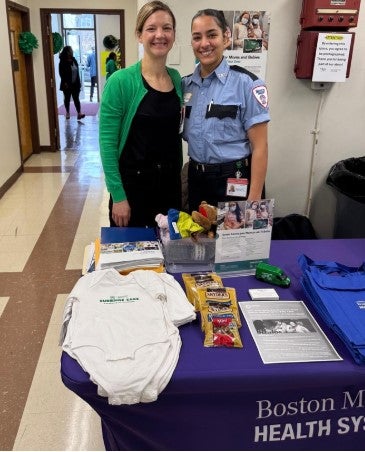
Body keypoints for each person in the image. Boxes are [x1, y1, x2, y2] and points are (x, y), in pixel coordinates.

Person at [99, 1, 183, 228]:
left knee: (171, 259)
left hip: (169, 191)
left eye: (167, 28)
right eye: (151, 28)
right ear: (139, 35)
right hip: (132, 192)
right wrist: (118, 196)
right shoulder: (121, 82)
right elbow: (107, 145)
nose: (160, 35)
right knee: (133, 260)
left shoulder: (177, 80)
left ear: (174, 34)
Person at [182, 9, 270, 212]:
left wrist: (254, 201)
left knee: (234, 243)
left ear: (226, 36)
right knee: (200, 241)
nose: (204, 43)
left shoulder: (247, 84)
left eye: (212, 35)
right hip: (196, 179)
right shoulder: (185, 86)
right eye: (197, 37)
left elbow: (260, 148)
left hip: (234, 181)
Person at [59, 46, 85, 120]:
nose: (71, 52)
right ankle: (67, 112)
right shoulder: (62, 61)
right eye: (70, 50)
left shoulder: (74, 60)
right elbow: (61, 73)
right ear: (66, 52)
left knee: (76, 98)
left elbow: (77, 72)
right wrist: (65, 83)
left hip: (75, 84)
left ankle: (79, 113)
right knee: (67, 99)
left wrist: (79, 83)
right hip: (67, 84)